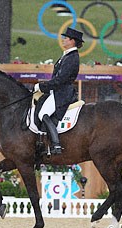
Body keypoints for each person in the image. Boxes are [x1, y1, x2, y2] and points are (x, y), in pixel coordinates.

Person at [33, 27, 84, 155]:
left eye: (66, 38)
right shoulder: (67, 55)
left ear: (73, 41)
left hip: (62, 93)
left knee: (43, 114)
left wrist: (42, 86)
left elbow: (61, 79)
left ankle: (56, 145)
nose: (64, 40)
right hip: (56, 91)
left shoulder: (72, 57)